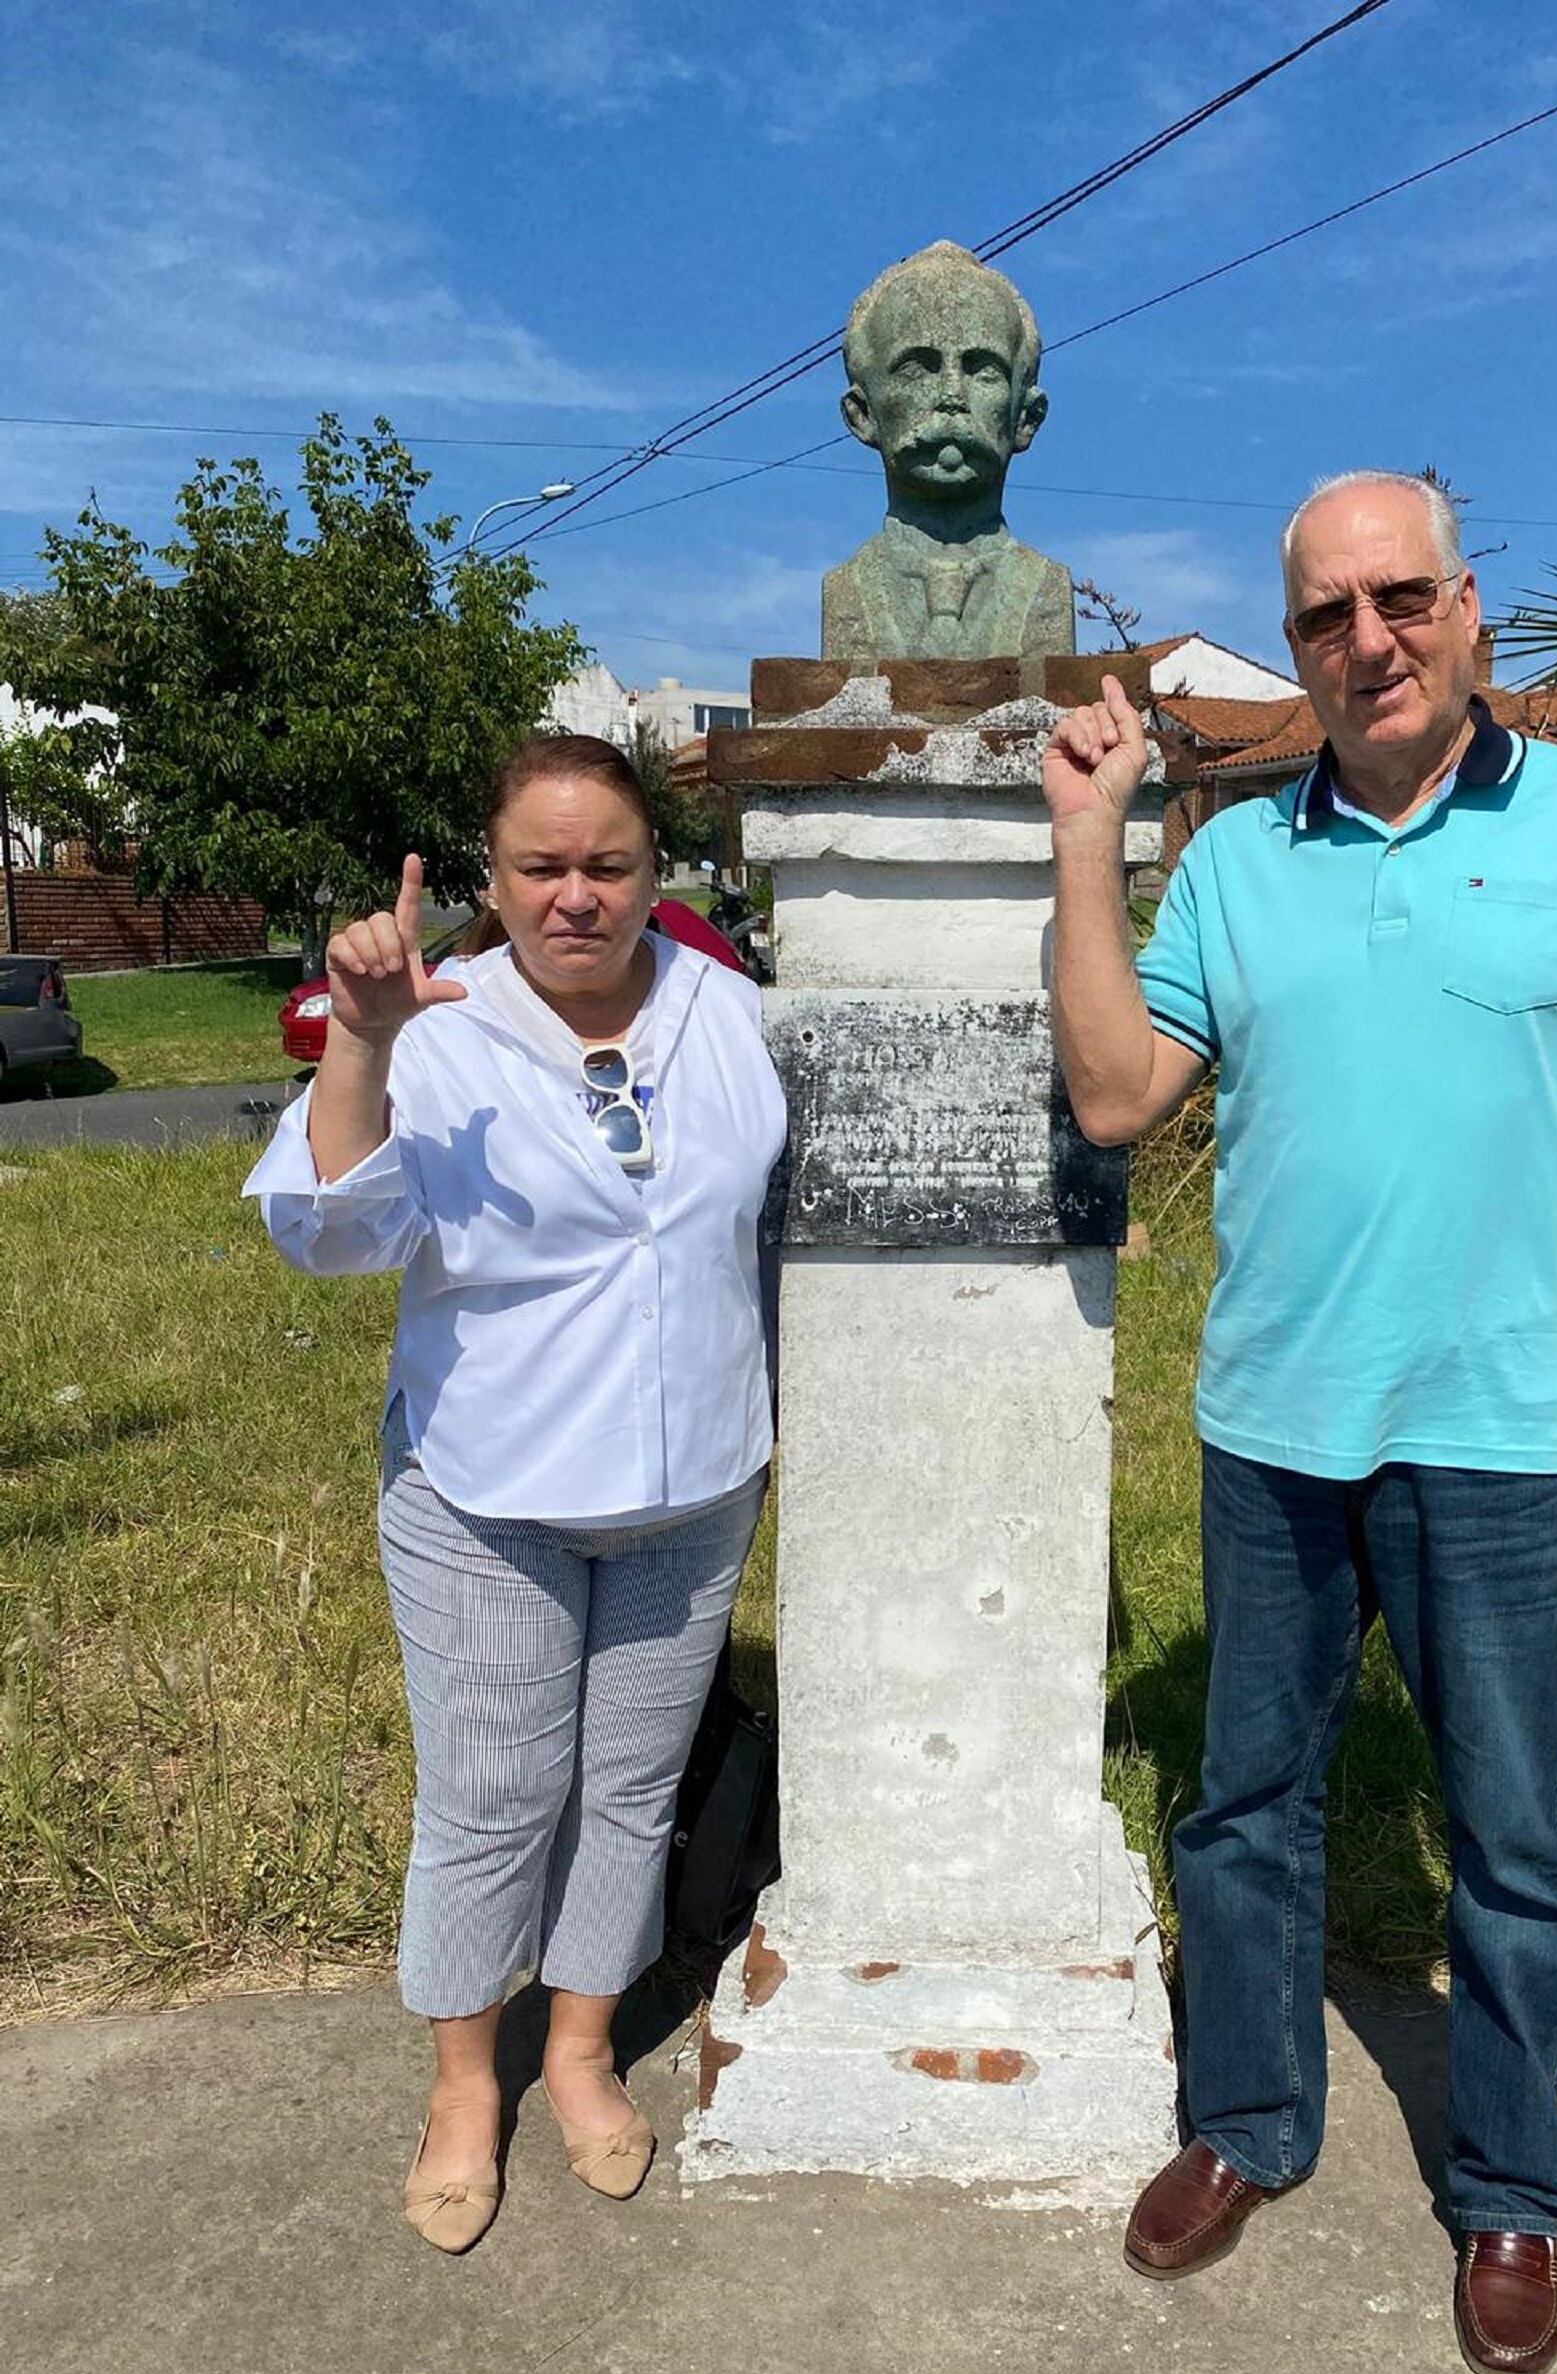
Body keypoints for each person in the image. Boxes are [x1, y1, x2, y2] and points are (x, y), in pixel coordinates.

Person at [1043, 471, 1557, 2374]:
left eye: (1402, 596)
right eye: (1327, 615)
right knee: (1245, 1804)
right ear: (1295, 649)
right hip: (1278, 1427)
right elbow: (1114, 1100)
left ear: (1469, 606)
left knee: (1512, 1830)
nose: (1371, 639)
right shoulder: (1244, 860)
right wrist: (1092, 842)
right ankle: (1249, 2123)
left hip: (1509, 1440)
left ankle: (1511, 2183)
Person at [245, 732, 785, 2253]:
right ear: (490, 879)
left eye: (607, 866)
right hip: (487, 1491)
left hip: (690, 1492)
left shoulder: (731, 1016)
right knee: (494, 1801)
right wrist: (361, 1039)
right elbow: (330, 1237)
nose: (574, 898)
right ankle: (466, 2083)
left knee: (625, 1793)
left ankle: (579, 2046)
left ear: (653, 876)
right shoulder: (440, 1024)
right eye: (539, 869)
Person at [822, 239, 1074, 659]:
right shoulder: (846, 590)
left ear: (1026, 418)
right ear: (862, 414)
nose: (951, 395)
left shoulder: (1046, 589)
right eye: (918, 368)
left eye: (984, 371)